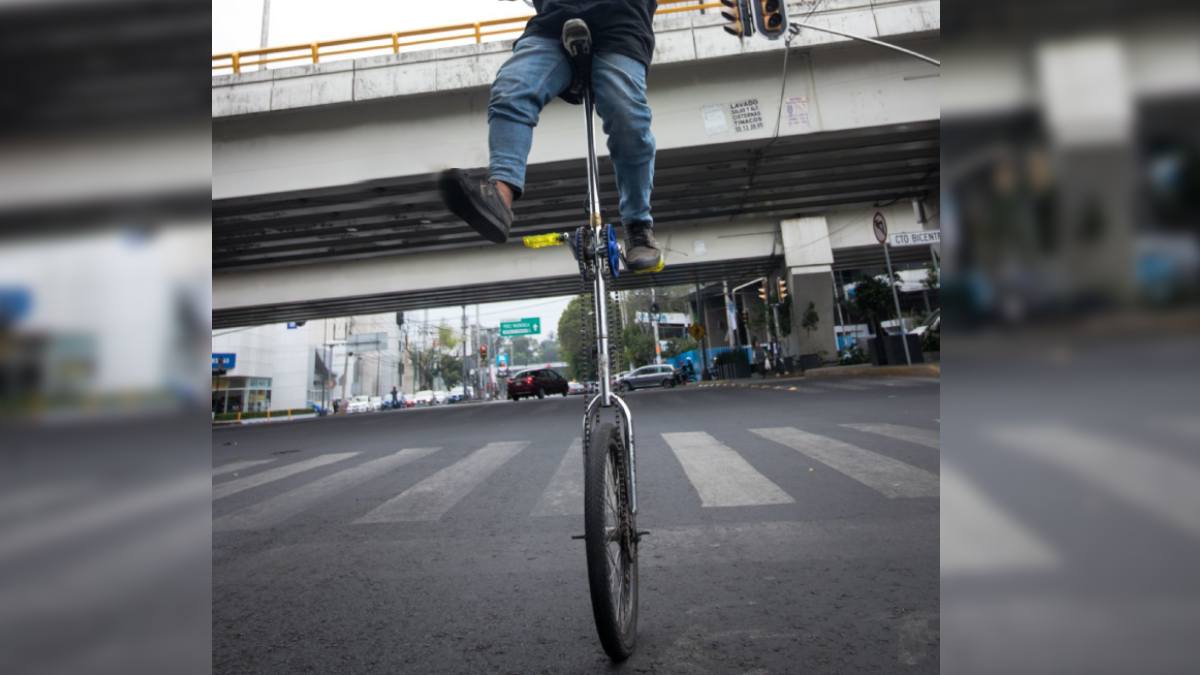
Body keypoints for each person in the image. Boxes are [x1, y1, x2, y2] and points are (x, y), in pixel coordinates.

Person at [440, 0, 662, 272]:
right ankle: (500, 197)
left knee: (627, 117)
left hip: (622, 19)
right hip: (553, 22)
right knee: (512, 89)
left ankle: (639, 226)